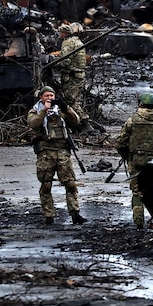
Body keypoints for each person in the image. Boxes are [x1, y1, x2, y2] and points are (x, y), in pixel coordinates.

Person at [27, 86, 87, 225]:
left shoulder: (60, 110)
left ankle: (75, 213)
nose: (49, 98)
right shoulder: (35, 110)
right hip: (46, 152)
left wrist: (67, 108)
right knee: (46, 185)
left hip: (62, 151)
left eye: (51, 96)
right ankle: (49, 215)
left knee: (70, 183)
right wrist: (44, 111)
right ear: (41, 97)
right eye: (46, 96)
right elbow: (33, 123)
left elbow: (76, 121)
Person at [116, 92, 153, 229]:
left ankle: (139, 222)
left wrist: (126, 155)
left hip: (136, 162)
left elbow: (121, 142)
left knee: (137, 193)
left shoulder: (132, 121)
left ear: (140, 103)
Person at [54, 23, 93, 134]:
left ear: (64, 33)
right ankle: (78, 124)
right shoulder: (78, 42)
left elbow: (65, 61)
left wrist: (55, 64)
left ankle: (86, 124)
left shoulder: (67, 43)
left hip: (71, 76)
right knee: (77, 100)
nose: (59, 34)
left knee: (71, 101)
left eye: (60, 32)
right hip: (80, 75)